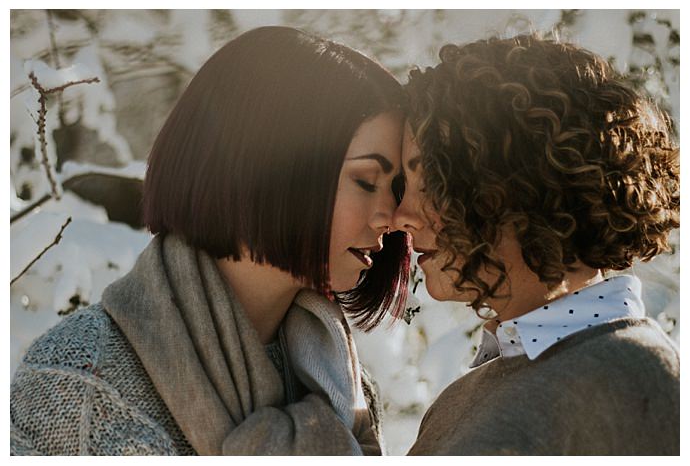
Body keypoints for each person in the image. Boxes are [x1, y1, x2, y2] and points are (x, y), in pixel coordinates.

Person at [10, 26, 410, 455]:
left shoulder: (347, 390)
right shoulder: (76, 382)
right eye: (367, 180)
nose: (393, 217)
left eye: (398, 187)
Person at [396, 34, 679, 455]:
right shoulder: (463, 396)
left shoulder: (635, 377)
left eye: (432, 180)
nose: (402, 215)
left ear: (522, 180)